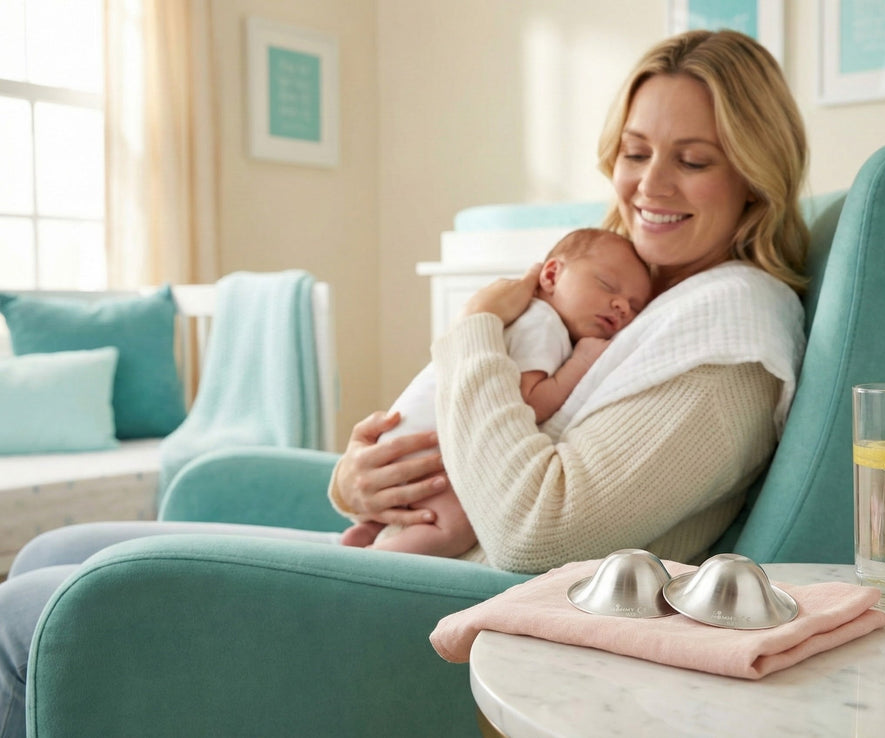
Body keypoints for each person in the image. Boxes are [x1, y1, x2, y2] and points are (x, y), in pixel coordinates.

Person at [0, 29, 809, 737]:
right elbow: (476, 431)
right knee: (53, 549)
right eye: (636, 152)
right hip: (413, 551)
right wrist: (359, 481)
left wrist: (473, 332)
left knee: (22, 612)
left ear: (755, 178)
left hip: (460, 606)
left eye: (693, 160)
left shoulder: (732, 331)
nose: (648, 187)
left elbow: (541, 531)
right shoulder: (629, 295)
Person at [338, 227, 652, 556]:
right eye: (606, 285)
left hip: (404, 434)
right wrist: (583, 360)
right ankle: (372, 561)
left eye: (634, 306)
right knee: (453, 528)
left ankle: (372, 531)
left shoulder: (526, 318)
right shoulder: (544, 324)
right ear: (551, 274)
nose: (620, 306)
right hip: (430, 445)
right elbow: (530, 403)